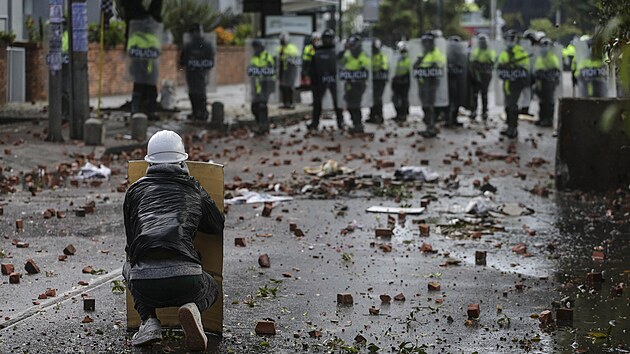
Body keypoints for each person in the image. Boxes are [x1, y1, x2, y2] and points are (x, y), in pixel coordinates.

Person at [123, 130, 224, 351]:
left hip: (144, 284)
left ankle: (148, 320)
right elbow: (217, 225)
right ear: (182, 162)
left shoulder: (134, 191)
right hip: (185, 280)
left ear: (149, 161)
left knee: (128, 265)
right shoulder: (193, 188)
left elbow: (131, 244)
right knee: (212, 288)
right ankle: (192, 308)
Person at [307, 29, 344, 131]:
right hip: (320, 80)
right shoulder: (317, 52)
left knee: (337, 102)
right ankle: (315, 122)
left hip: (334, 80)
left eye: (329, 38)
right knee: (317, 103)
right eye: (325, 38)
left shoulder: (337, 52)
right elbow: (312, 68)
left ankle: (340, 121)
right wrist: (313, 80)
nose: (327, 40)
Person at [496, 30, 530, 138]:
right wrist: (503, 66)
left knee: (512, 106)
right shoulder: (504, 52)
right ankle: (508, 125)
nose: (510, 41)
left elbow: (525, 68)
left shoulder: (521, 52)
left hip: (517, 83)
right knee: (507, 106)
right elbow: (499, 66)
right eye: (508, 39)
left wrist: (515, 66)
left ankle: (513, 128)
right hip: (507, 83)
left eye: (512, 39)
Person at [127, 15, 162, 121]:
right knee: (142, 91)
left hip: (146, 70)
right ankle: (141, 111)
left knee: (146, 92)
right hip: (143, 70)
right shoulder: (148, 38)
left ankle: (142, 111)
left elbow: (156, 52)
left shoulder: (137, 37)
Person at [179, 24, 215, 121]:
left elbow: (182, 61)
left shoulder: (189, 45)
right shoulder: (207, 44)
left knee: (193, 93)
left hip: (192, 73)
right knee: (201, 92)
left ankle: (197, 112)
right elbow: (211, 60)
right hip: (202, 73)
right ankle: (202, 112)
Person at [414, 33, 446, 138]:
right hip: (422, 84)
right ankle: (428, 125)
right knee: (425, 106)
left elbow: (440, 64)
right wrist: (417, 64)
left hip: (431, 84)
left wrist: (433, 66)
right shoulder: (423, 55)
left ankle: (431, 127)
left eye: (427, 43)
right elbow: (416, 67)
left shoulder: (436, 54)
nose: (425, 45)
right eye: (424, 43)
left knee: (429, 105)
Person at [339, 35, 371, 133]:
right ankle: (355, 123)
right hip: (349, 83)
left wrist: (361, 69)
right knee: (350, 104)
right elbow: (341, 62)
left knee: (355, 104)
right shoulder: (347, 53)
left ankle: (358, 124)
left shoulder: (362, 54)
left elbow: (365, 65)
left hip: (358, 84)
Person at [248, 39, 276, 135]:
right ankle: (261, 123)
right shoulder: (254, 57)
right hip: (257, 87)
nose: (255, 49)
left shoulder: (267, 57)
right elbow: (251, 71)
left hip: (265, 86)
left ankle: (263, 127)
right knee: (254, 107)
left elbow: (271, 73)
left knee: (262, 107)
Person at [533, 38, 561, 127]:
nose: (544, 48)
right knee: (542, 101)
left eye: (546, 46)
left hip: (548, 82)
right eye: (542, 46)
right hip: (540, 82)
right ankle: (542, 118)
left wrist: (546, 75)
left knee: (548, 101)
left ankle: (548, 119)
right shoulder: (540, 57)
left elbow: (556, 71)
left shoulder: (551, 57)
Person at [469, 34, 495, 122]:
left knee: (484, 94)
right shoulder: (476, 51)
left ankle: (484, 112)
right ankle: (473, 111)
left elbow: (492, 61)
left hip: (485, 75)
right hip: (477, 74)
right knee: (474, 94)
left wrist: (486, 64)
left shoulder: (489, 51)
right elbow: (472, 60)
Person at [445, 36, 467, 127]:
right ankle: (449, 120)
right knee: (452, 101)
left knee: (455, 101)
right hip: (450, 81)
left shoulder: (462, 55)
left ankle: (452, 119)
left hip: (458, 81)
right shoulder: (446, 55)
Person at [367, 38, 389, 124]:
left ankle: (379, 116)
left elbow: (384, 66)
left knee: (377, 98)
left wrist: (378, 70)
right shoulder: (369, 56)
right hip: (372, 80)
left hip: (379, 80)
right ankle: (372, 115)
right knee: (371, 98)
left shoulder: (381, 56)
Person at [278, 32, 300, 109]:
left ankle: (290, 103)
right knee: (283, 87)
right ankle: (285, 103)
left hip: (290, 70)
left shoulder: (291, 48)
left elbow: (295, 60)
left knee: (289, 87)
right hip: (283, 70)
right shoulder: (281, 48)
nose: (281, 42)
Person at [391, 41, 411, 123]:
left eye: (404, 51)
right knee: (395, 98)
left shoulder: (408, 59)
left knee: (404, 99)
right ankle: (398, 114)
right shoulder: (397, 59)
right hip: (396, 80)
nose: (403, 53)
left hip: (404, 81)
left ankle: (403, 115)